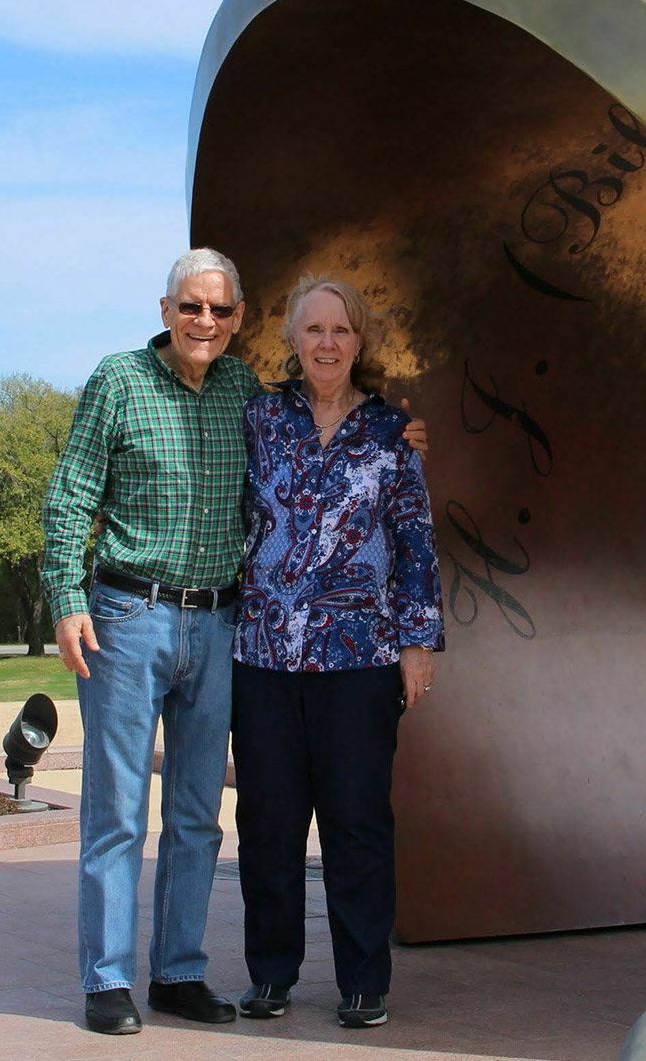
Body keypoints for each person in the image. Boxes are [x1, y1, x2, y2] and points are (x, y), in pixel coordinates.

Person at [40, 249, 428, 1036]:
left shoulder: (314, 414)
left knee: (206, 815)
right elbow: (72, 493)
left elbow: (404, 527)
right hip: (168, 626)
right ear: (166, 309)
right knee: (142, 812)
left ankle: (187, 972)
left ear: (242, 319)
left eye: (219, 311)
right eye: (191, 307)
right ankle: (117, 979)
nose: (204, 322)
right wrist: (65, 595)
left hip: (255, 633)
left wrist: (419, 639)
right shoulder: (170, 390)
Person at [230, 275, 443, 1030]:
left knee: (356, 821)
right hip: (262, 657)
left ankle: (362, 980)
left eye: (341, 331)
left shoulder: (391, 432)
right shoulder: (258, 418)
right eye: (313, 329)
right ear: (292, 338)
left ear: (359, 343)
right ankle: (271, 975)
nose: (326, 343)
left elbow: (415, 542)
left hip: (360, 659)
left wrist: (419, 644)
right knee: (270, 822)